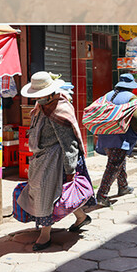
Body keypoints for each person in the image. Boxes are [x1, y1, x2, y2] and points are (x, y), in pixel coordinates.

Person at [16, 71, 93, 251]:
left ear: (50, 92)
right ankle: (81, 217)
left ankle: (45, 235)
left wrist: (70, 171)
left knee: (48, 196)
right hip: (42, 159)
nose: (38, 98)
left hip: (57, 160)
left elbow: (69, 144)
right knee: (61, 196)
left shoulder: (59, 110)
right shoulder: (42, 107)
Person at [94, 73, 137, 207]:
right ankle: (102, 194)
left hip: (105, 134)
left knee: (119, 160)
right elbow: (136, 118)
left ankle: (123, 186)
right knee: (114, 164)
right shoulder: (131, 98)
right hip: (121, 136)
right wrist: (135, 132)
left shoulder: (107, 96)